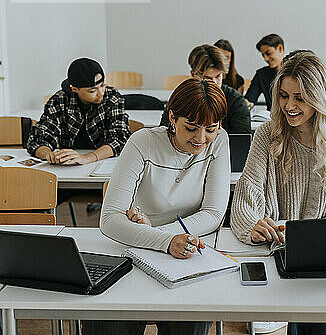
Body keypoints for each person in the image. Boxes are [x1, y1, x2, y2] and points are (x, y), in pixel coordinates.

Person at [231, 50, 326, 335]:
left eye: (300, 98)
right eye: (283, 95)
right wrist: (253, 225)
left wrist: (308, 239)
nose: (289, 105)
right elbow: (247, 194)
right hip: (277, 253)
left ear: (319, 97)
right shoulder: (267, 134)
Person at [83, 79, 230, 335]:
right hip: (132, 246)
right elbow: (109, 219)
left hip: (187, 253)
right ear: (172, 117)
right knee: (108, 321)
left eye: (211, 129)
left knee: (190, 322)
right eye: (191, 128)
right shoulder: (143, 141)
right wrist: (165, 240)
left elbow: (214, 213)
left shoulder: (219, 142)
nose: (201, 139)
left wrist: (168, 237)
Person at [26, 57, 130, 164]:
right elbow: (38, 138)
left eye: (102, 85)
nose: (101, 93)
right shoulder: (60, 100)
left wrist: (87, 158)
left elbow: (120, 139)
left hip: (103, 162)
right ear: (75, 89)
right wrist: (50, 155)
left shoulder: (112, 98)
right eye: (92, 90)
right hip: (68, 165)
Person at [160, 44, 251, 134]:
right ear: (193, 75)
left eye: (218, 76)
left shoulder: (236, 101)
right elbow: (165, 133)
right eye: (207, 78)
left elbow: (242, 140)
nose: (214, 83)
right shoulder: (180, 98)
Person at [245, 34, 285, 110]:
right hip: (271, 118)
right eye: (263, 55)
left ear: (280, 48)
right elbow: (250, 99)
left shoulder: (296, 71)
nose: (265, 59)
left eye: (268, 53)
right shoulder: (261, 75)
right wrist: (246, 104)